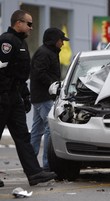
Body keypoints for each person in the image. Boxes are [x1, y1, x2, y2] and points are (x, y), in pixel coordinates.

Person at [0, 10, 57, 187]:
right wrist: (3, 94)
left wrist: (24, 95)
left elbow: (20, 74)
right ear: (18, 23)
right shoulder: (7, 41)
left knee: (23, 136)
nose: (31, 28)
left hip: (14, 96)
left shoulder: (20, 42)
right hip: (3, 96)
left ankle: (34, 173)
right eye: (29, 24)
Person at [30, 28, 69, 170]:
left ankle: (31, 163)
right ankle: (47, 164)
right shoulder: (45, 53)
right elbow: (40, 73)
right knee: (49, 129)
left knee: (37, 129)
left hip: (40, 97)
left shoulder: (48, 52)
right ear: (54, 41)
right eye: (61, 41)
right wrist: (54, 86)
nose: (62, 44)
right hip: (44, 97)